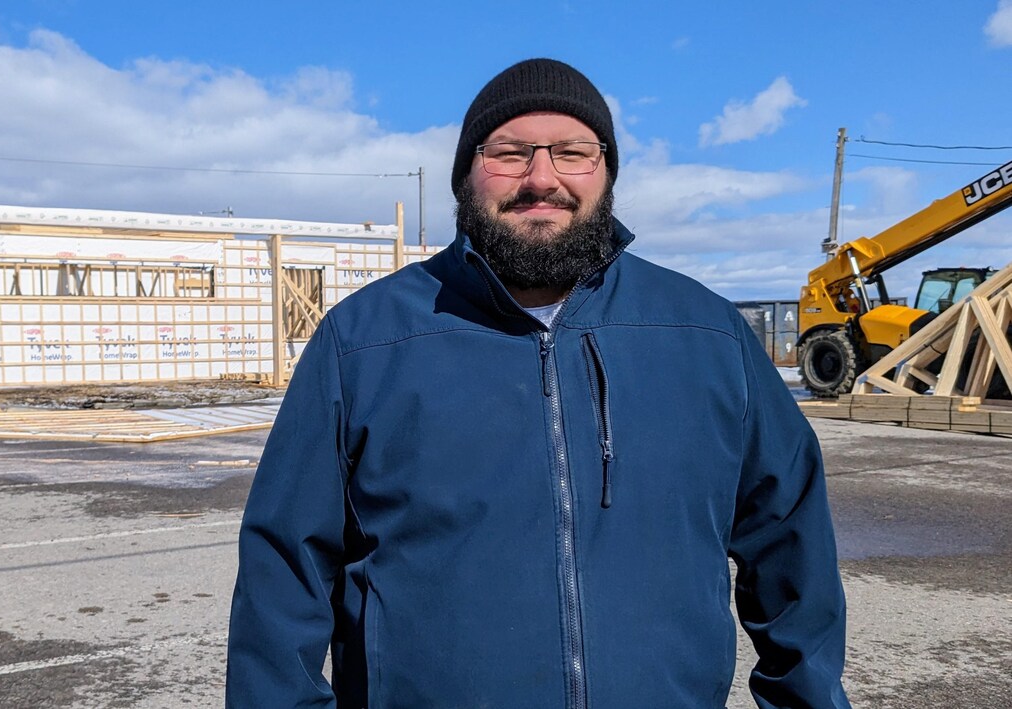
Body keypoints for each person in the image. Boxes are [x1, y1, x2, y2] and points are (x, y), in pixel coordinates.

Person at [227, 58, 850, 708]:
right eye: (511, 152)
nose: (542, 177)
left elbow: (791, 550)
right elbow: (283, 574)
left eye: (573, 152)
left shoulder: (708, 335)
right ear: (468, 171)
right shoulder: (363, 342)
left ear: (606, 170)